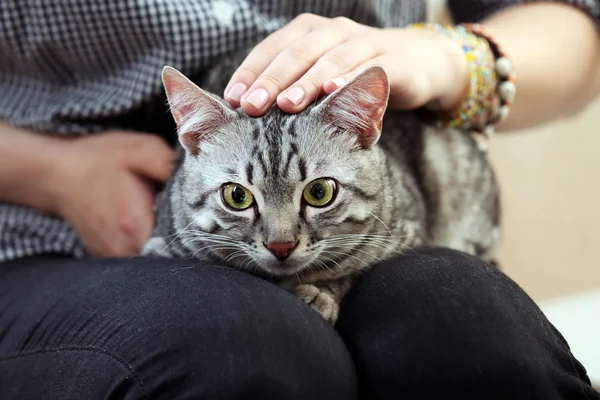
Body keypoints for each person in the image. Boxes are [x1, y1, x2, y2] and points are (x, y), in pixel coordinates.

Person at [0, 0, 599, 398]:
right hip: (50, 221)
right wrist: (53, 172)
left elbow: (575, 27)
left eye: (312, 196)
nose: (281, 238)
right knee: (246, 353)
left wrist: (446, 55)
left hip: (347, 127)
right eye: (245, 200)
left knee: (478, 336)